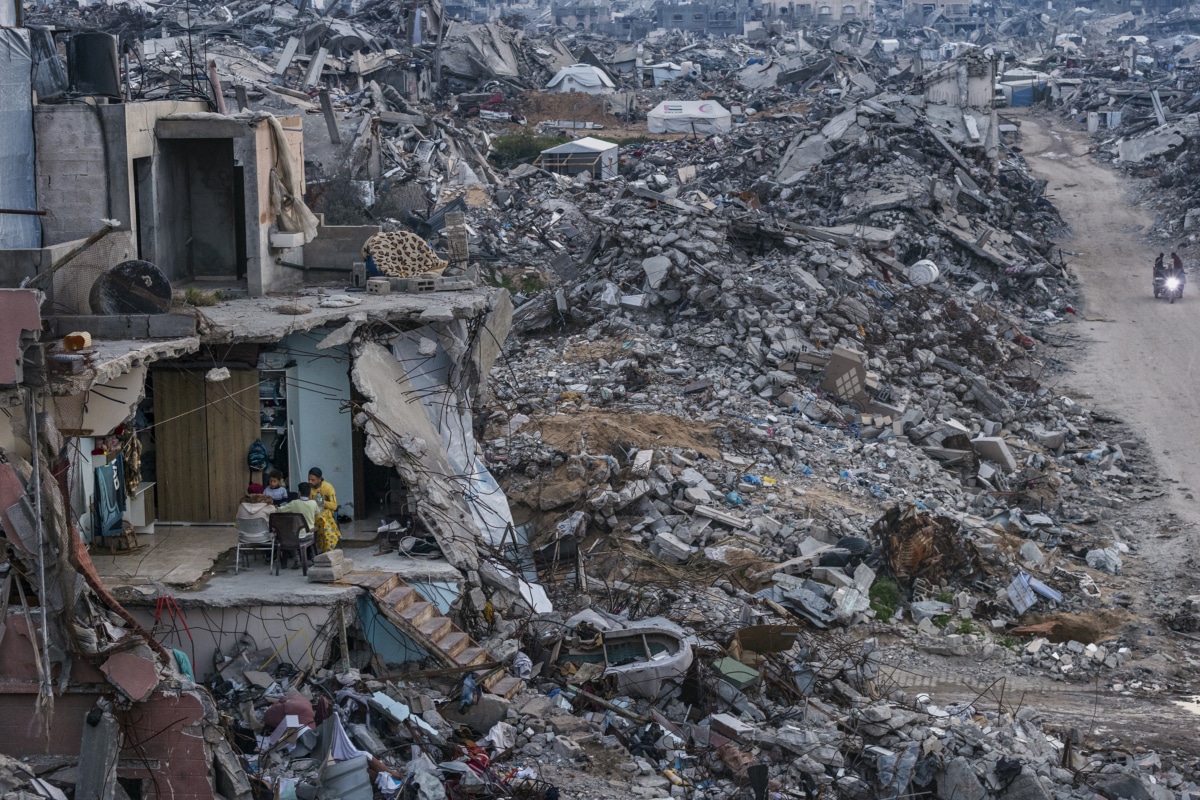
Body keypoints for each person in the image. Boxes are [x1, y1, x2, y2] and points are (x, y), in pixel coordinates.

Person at [306, 467, 341, 553]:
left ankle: (327, 548)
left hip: (326, 513)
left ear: (320, 479)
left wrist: (321, 502)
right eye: (309, 479)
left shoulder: (328, 487)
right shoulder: (307, 487)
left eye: (313, 480)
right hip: (311, 512)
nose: (310, 482)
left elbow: (334, 506)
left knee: (322, 519)